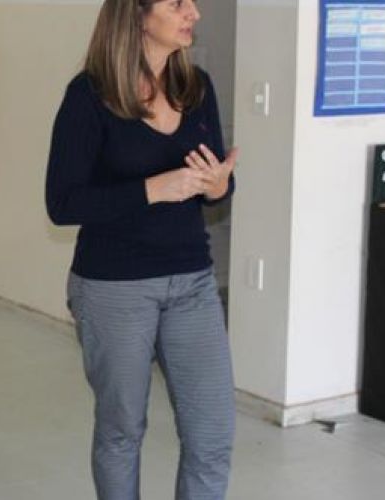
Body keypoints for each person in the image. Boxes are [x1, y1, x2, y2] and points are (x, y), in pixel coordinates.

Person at [44, 0, 237, 499]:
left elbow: (215, 183)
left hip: (192, 281)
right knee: (122, 430)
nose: (194, 12)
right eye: (177, 3)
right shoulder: (89, 95)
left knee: (212, 435)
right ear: (137, 14)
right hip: (114, 286)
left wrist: (218, 185)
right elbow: (62, 203)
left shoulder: (197, 88)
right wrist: (152, 189)